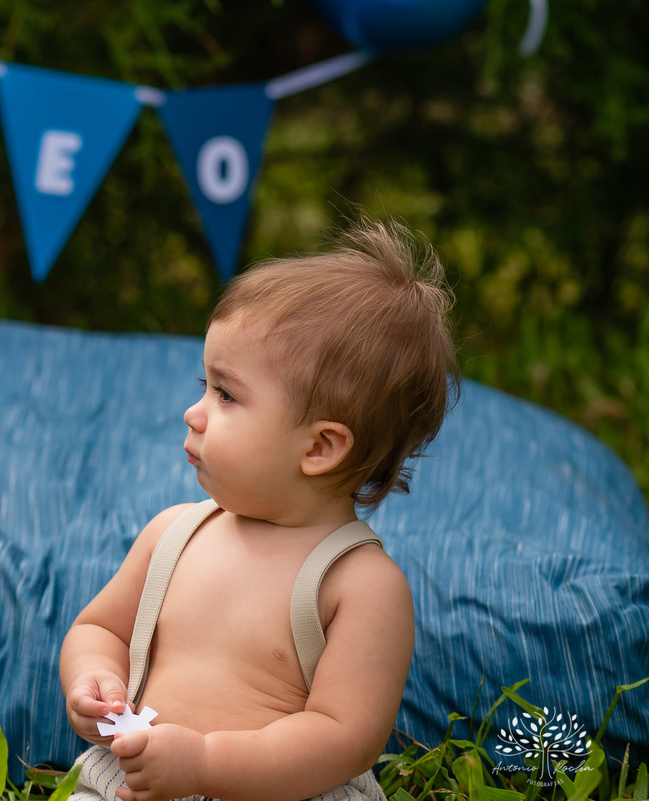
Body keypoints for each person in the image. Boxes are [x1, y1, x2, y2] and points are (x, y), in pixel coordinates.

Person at [59, 219, 460, 801]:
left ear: (319, 448)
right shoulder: (173, 534)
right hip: (134, 783)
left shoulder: (361, 586)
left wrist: (205, 763)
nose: (193, 412)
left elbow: (344, 738)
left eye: (226, 394)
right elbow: (100, 628)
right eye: (204, 385)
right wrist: (94, 677)